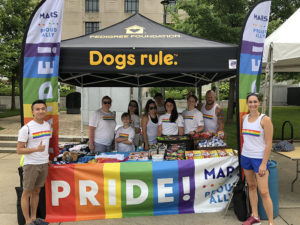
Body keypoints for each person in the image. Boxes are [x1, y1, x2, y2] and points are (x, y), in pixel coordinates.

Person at [17, 100, 51, 225]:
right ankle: (27, 221)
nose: (41, 111)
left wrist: (46, 158)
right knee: (27, 193)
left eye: (43, 108)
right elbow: (19, 150)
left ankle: (34, 218)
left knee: (37, 192)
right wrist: (36, 149)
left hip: (43, 164)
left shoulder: (47, 125)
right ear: (32, 112)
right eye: (37, 109)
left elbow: (45, 144)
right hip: (31, 165)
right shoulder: (26, 128)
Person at [241, 93, 274, 225]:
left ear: (259, 103)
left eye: (255, 101)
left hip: (259, 159)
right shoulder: (244, 118)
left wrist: (263, 163)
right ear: (247, 104)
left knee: (264, 192)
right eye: (250, 102)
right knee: (252, 186)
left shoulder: (265, 119)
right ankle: (255, 216)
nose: (253, 104)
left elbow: (269, 143)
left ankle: (271, 222)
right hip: (246, 157)